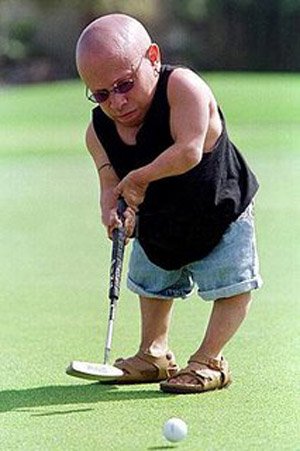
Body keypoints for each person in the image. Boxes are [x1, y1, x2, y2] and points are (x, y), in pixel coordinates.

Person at [75, 13, 263, 394]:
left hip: (219, 207)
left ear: (153, 58)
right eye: (102, 94)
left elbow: (188, 151)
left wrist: (140, 178)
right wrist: (112, 212)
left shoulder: (183, 88)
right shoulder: (97, 131)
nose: (117, 101)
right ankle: (153, 354)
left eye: (125, 83)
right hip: (161, 218)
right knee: (153, 281)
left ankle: (210, 358)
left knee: (232, 285)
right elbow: (109, 183)